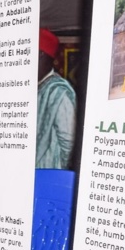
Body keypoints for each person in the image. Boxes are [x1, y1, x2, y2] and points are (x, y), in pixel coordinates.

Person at [36, 27, 76, 169]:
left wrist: (59, 175)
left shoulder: (59, 92)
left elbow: (69, 143)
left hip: (49, 175)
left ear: (40, 54)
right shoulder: (37, 87)